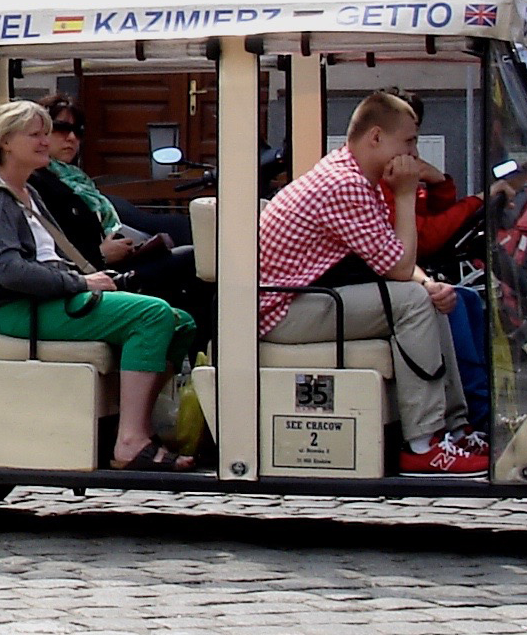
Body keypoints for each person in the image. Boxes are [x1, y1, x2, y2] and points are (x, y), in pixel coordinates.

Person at [0, 100, 198, 471]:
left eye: (44, 134)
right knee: (152, 315)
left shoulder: (26, 192)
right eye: (35, 134)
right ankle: (130, 442)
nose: (44, 142)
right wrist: (80, 281)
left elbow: (54, 255)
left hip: (48, 298)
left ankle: (135, 424)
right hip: (17, 308)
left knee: (181, 321)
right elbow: (10, 271)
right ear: (5, 142)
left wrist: (95, 276)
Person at [257, 89, 484, 474]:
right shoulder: (345, 185)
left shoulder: (355, 175)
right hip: (282, 311)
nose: (413, 153)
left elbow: (386, 256)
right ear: (376, 137)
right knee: (412, 300)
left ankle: (454, 428)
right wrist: (407, 195)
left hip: (306, 298)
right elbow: (397, 266)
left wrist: (429, 284)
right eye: (409, 142)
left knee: (425, 296)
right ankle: (421, 444)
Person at [33, 102, 211, 329]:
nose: (71, 138)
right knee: (191, 259)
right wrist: (101, 255)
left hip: (107, 264)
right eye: (61, 128)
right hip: (90, 275)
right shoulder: (39, 184)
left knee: (197, 251)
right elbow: (49, 249)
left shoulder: (79, 183)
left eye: (78, 131)